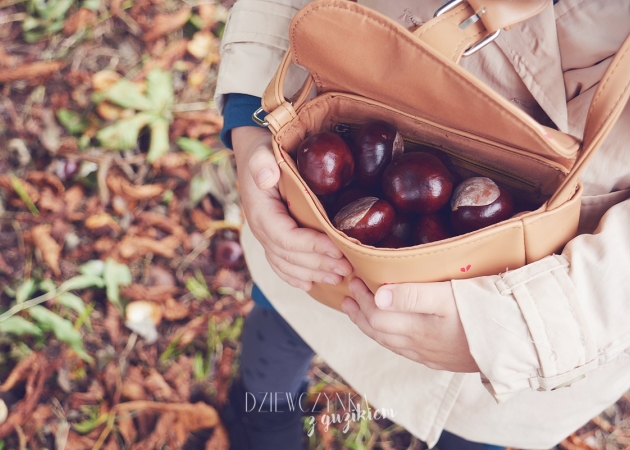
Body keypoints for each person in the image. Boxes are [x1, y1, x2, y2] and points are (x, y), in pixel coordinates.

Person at [215, 0, 630, 449]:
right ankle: (263, 424)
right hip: (320, 235)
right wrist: (253, 118)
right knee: (282, 333)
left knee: (474, 424)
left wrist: (522, 326)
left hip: (552, 291)